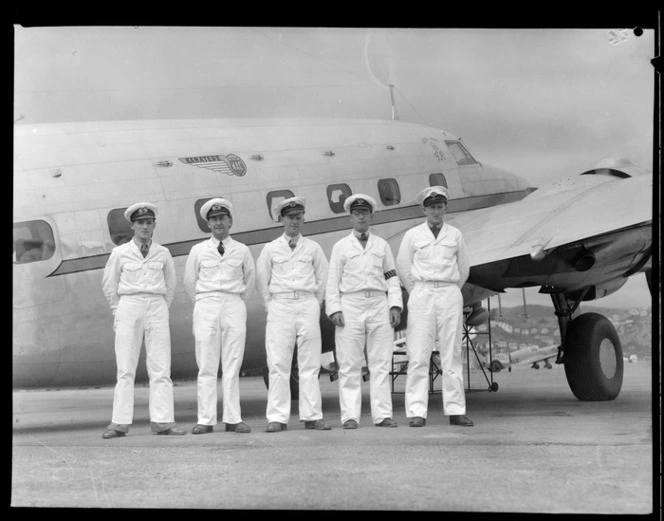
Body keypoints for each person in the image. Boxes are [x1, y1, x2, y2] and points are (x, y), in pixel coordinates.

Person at [101, 202, 185, 438]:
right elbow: (109, 284)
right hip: (129, 305)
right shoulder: (120, 253)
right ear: (132, 225)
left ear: (154, 225)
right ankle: (119, 423)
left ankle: (163, 421)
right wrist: (119, 310)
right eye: (140, 223)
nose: (145, 227)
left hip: (156, 305)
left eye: (149, 223)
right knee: (126, 367)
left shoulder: (163, 252)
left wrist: (160, 307)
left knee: (160, 367)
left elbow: (171, 285)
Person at [396, 186, 473, 427]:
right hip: (422, 292)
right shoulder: (413, 235)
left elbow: (464, 269)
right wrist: (417, 290)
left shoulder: (455, 235)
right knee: (418, 353)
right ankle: (417, 412)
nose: (436, 212)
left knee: (452, 354)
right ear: (424, 209)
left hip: (449, 292)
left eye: (440, 207)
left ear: (445, 208)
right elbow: (403, 267)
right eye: (432, 208)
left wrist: (449, 288)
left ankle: (456, 410)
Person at [325, 194, 402, 429]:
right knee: (349, 364)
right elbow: (332, 281)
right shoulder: (341, 247)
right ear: (350, 217)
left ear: (371, 216)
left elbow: (391, 276)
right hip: (351, 304)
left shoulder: (382, 245)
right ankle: (350, 416)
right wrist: (334, 309)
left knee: (380, 362)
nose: (361, 216)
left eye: (365, 213)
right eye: (356, 213)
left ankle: (383, 415)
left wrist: (395, 305)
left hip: (379, 303)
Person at [256, 196, 331, 432]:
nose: (294, 222)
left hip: (307, 304)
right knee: (278, 363)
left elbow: (323, 278)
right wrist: (273, 305)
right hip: (281, 305)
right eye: (290, 218)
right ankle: (277, 418)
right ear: (282, 220)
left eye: (298, 217)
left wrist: (313, 303)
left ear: (303, 219)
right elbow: (262, 281)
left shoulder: (313, 248)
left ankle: (313, 416)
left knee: (310, 363)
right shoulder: (270, 249)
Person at [184, 198, 255, 434]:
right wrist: (206, 301)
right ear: (208, 224)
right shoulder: (198, 251)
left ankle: (233, 418)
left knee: (233, 365)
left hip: (234, 303)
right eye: (213, 219)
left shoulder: (242, 250)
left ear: (230, 221)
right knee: (206, 365)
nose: (218, 223)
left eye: (222, 218)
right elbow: (189, 283)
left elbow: (250, 282)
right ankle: (205, 420)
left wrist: (233, 301)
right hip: (206, 304)